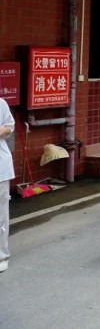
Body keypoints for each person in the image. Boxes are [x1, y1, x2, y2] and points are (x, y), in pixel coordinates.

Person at [0, 97, 14, 273]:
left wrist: (1, 130)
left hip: (1, 169)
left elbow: (10, 126)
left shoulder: (0, 103)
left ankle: (2, 256)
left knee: (0, 215)